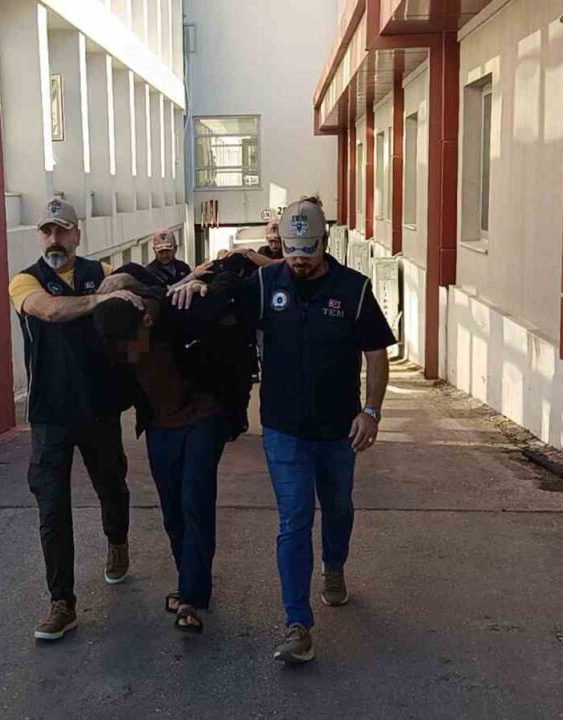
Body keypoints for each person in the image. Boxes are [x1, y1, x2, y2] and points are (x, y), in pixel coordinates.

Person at [169, 197, 395, 664]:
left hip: (339, 431)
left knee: (337, 508)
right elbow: (224, 295)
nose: (299, 258)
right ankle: (297, 623)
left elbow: (376, 352)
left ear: (325, 242)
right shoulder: (265, 283)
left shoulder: (353, 289)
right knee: (294, 519)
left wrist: (371, 411)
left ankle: (334, 565)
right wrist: (196, 283)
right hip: (284, 429)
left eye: (308, 249)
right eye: (292, 249)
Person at [7, 197, 144, 642]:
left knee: (112, 487)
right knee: (52, 507)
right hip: (49, 415)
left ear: (77, 235)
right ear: (39, 236)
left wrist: (122, 281)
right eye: (47, 231)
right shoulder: (25, 281)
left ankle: (117, 541)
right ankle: (61, 603)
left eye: (62, 230)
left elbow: (127, 287)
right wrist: (101, 297)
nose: (54, 239)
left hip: (98, 408)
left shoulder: (98, 271)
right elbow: (49, 311)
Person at [92, 267, 242, 634]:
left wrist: (201, 284)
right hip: (160, 427)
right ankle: (189, 580)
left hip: (202, 419)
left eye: (130, 344)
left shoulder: (180, 310)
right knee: (173, 511)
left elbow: (229, 287)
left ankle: (191, 596)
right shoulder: (116, 333)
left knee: (194, 502)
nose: (127, 355)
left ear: (145, 320)